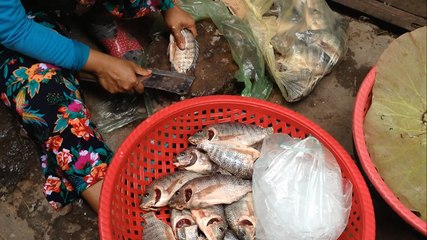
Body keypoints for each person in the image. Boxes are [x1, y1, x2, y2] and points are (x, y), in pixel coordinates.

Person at [0, 0, 197, 213]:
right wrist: (100, 65)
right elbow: (16, 31)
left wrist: (169, 6)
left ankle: (93, 15)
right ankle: (124, 213)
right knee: (46, 95)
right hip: (10, 28)